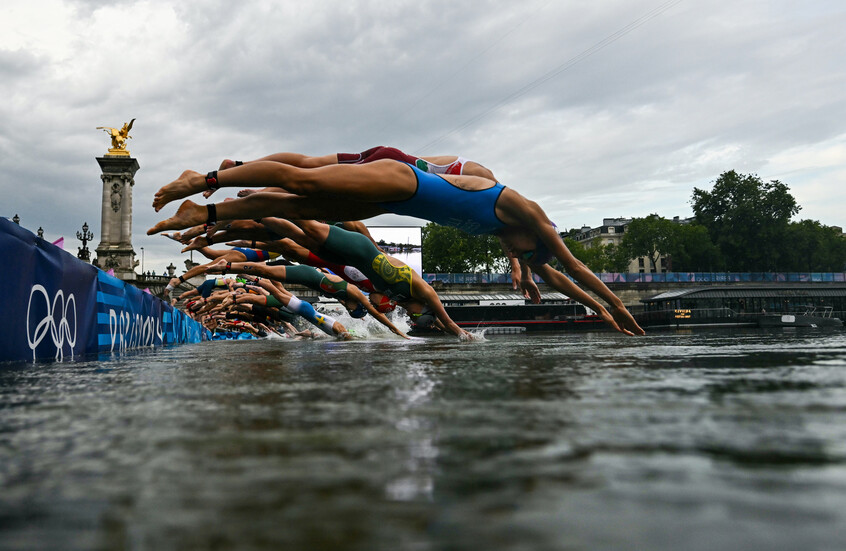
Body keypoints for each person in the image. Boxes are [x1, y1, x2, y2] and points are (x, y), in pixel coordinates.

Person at [150, 158, 644, 336]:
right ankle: (205, 181)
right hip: (402, 177)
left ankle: (207, 214)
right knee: (301, 182)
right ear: (538, 236)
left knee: (302, 205)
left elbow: (558, 275)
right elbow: (573, 264)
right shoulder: (526, 212)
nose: (517, 256)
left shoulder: (514, 239)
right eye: (527, 255)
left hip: (396, 199)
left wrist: (598, 313)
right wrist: (617, 303)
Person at [202, 257, 409, 339]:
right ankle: (230, 267)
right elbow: (376, 313)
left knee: (278, 291)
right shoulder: (357, 294)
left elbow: (369, 310)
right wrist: (396, 330)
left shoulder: (351, 299)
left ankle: (244, 276)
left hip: (314, 286)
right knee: (275, 288)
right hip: (311, 277)